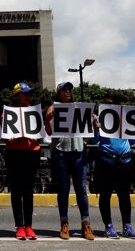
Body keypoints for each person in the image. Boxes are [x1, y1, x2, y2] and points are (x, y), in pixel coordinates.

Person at [45, 81, 94, 240]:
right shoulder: (53, 108)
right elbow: (49, 132)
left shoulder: (78, 108)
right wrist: (47, 120)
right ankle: (64, 223)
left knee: (81, 189)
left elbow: (90, 129)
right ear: (58, 93)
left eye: (69, 89)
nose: (67, 92)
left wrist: (92, 120)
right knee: (64, 190)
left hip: (78, 152)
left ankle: (86, 224)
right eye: (64, 89)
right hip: (61, 153)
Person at [93, 95, 135, 239]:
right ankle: (108, 226)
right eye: (105, 104)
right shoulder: (100, 118)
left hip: (124, 161)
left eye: (111, 104)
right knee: (105, 194)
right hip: (106, 159)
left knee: (124, 195)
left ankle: (127, 225)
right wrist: (95, 129)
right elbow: (94, 140)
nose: (108, 106)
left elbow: (133, 140)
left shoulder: (125, 119)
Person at [6, 83, 41, 240]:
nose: (28, 96)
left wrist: (37, 135)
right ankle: (19, 226)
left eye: (29, 94)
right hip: (14, 152)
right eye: (25, 93)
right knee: (16, 190)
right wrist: (8, 136)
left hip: (32, 152)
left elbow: (42, 132)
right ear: (17, 95)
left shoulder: (34, 111)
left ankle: (29, 226)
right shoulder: (8, 113)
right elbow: (3, 132)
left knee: (28, 191)